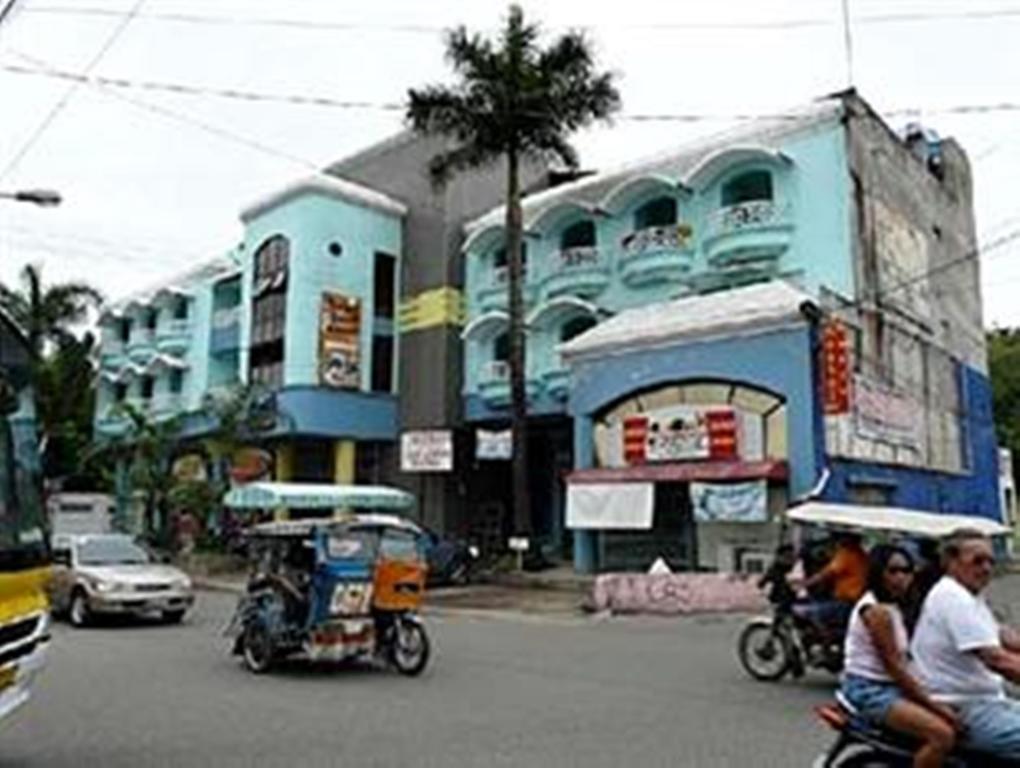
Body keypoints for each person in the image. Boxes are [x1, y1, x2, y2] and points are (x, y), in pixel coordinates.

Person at [840, 544, 959, 768]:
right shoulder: (877, 612)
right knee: (942, 735)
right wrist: (934, 705)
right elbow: (895, 667)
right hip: (871, 691)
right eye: (893, 571)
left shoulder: (896, 606)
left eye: (906, 571)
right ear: (878, 573)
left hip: (890, 686)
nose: (901, 578)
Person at [911, 529, 1020, 761]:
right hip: (965, 706)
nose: (986, 568)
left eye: (990, 561)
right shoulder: (953, 598)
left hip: (986, 701)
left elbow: (1003, 637)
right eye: (977, 561)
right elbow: (997, 659)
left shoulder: (970, 596)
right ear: (951, 562)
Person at [798, 532, 870, 633]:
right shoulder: (861, 554)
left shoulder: (847, 554)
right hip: (852, 601)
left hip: (845, 602)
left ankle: (822, 638)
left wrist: (804, 584)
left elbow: (827, 573)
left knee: (803, 611)